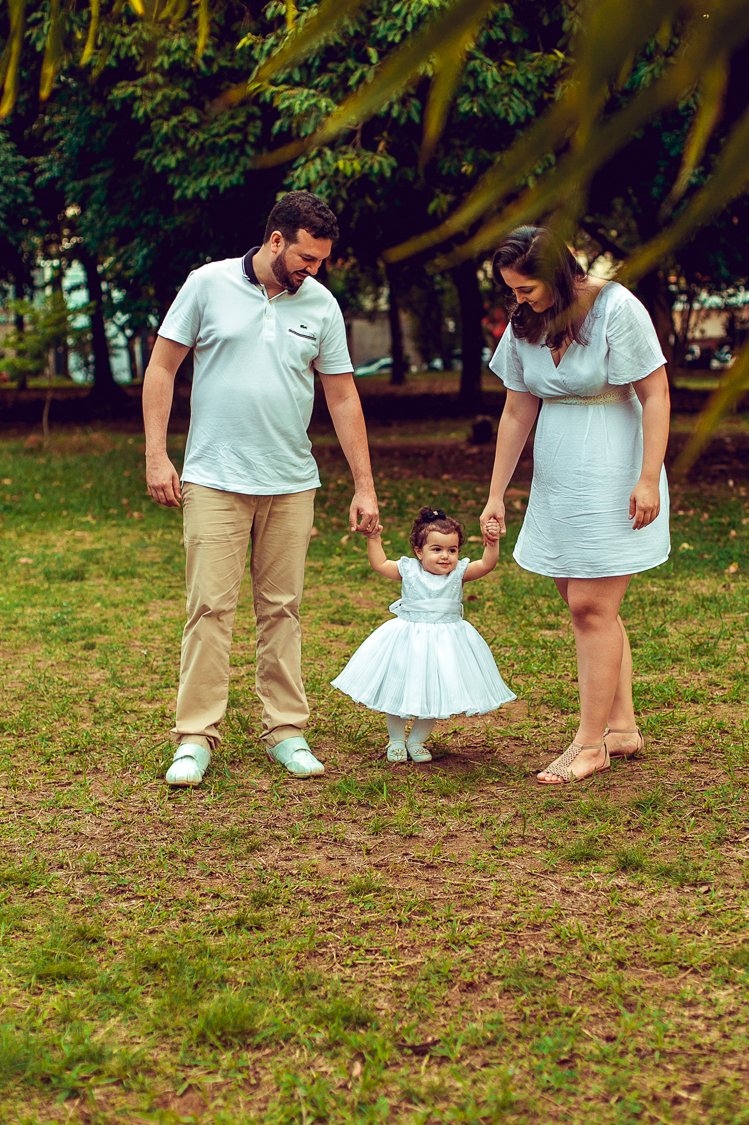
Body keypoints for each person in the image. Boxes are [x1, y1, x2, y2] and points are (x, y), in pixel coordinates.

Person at [143, 191, 379, 785]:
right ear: (276, 240)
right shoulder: (207, 285)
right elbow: (162, 367)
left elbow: (343, 395)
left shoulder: (321, 304)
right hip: (214, 478)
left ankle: (287, 731)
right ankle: (195, 737)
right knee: (209, 609)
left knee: (283, 610)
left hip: (291, 482)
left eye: (321, 260)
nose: (313, 269)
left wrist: (364, 485)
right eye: (305, 257)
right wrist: (155, 455)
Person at [480, 226, 670, 785]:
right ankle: (623, 728)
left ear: (559, 275)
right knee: (586, 604)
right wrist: (497, 492)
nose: (520, 299)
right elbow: (517, 410)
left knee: (591, 607)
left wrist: (648, 478)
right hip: (559, 475)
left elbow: (656, 393)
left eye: (527, 288)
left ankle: (590, 745)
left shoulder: (616, 307)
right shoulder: (527, 321)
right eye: (512, 290)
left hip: (615, 468)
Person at [331, 507, 516, 762]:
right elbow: (380, 564)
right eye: (436, 549)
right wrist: (374, 539)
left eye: (452, 550)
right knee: (398, 687)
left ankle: (416, 740)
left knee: (433, 691)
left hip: (445, 645)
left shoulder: (458, 574)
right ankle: (395, 739)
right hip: (408, 640)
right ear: (419, 551)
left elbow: (486, 564)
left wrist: (491, 543)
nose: (445, 556)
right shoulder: (408, 569)